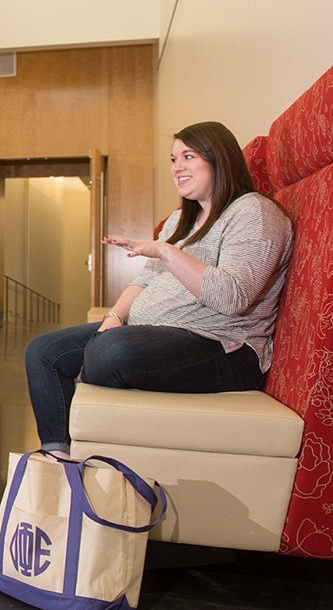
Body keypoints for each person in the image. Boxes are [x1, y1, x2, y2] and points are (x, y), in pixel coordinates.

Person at [25, 121, 294, 455]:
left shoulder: (254, 212)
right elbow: (142, 281)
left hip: (225, 347)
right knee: (42, 351)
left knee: (112, 351)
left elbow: (233, 297)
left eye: (188, 156)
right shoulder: (180, 220)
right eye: (172, 159)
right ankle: (57, 456)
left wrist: (167, 251)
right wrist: (114, 318)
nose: (176, 168)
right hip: (155, 332)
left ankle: (96, 373)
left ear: (219, 158)